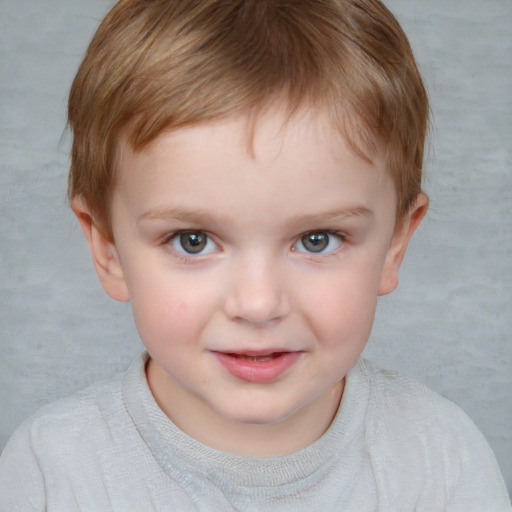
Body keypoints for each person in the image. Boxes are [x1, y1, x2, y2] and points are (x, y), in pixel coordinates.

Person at [0, 0, 509, 509]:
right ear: (107, 247)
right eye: (192, 240)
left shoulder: (442, 461)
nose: (259, 304)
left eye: (317, 239)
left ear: (395, 244)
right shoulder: (53, 470)